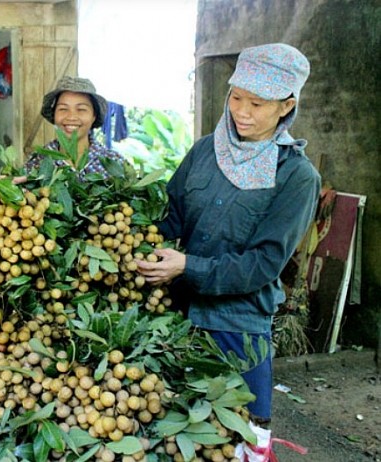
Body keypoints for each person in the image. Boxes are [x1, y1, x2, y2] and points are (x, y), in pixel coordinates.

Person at [136, 44, 321, 423]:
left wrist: (188, 266)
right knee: (171, 433)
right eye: (237, 97)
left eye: (258, 103)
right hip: (175, 321)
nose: (242, 112)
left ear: (286, 106)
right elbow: (170, 220)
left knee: (240, 439)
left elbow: (263, 264)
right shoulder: (205, 151)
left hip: (237, 328)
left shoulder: (297, 177)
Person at [26, 76, 126, 179]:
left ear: (94, 116)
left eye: (81, 109)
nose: (71, 117)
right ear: (54, 114)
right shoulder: (37, 162)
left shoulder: (114, 163)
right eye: (63, 109)